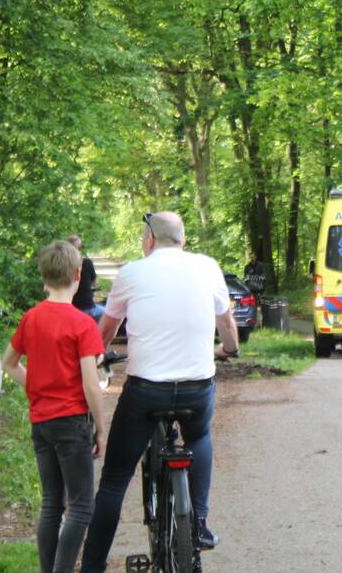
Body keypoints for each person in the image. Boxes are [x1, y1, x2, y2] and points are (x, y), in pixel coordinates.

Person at [81, 212, 240, 573]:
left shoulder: (132, 273)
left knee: (114, 481)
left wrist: (99, 356)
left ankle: (91, 566)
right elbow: (227, 324)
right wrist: (230, 349)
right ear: (182, 240)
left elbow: (106, 329)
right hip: (196, 390)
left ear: (150, 240)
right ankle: (198, 522)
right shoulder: (208, 268)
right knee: (198, 436)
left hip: (145, 392)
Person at [1, 240, 106, 573]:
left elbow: (9, 363)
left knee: (51, 504)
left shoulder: (31, 319)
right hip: (72, 423)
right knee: (81, 506)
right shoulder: (82, 324)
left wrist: (35, 385)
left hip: (41, 422)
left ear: (43, 277)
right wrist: (100, 427)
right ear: (78, 276)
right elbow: (91, 384)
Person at [69, 235, 103, 321]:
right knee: (108, 313)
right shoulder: (87, 263)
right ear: (79, 248)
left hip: (70, 309)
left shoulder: (62, 265)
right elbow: (95, 283)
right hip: (88, 308)